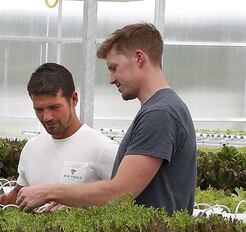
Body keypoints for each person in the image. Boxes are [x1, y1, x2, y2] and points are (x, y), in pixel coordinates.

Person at [16, 23, 196, 216]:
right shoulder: (161, 108)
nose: (111, 79)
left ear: (139, 58)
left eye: (114, 68)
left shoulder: (160, 113)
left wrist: (48, 192)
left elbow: (120, 192)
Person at [0, 63, 117, 211]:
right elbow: (20, 192)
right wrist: (4, 200)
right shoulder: (31, 148)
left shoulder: (103, 149)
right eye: (39, 109)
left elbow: (127, 201)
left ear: (74, 99)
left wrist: (79, 209)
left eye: (54, 107)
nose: (46, 117)